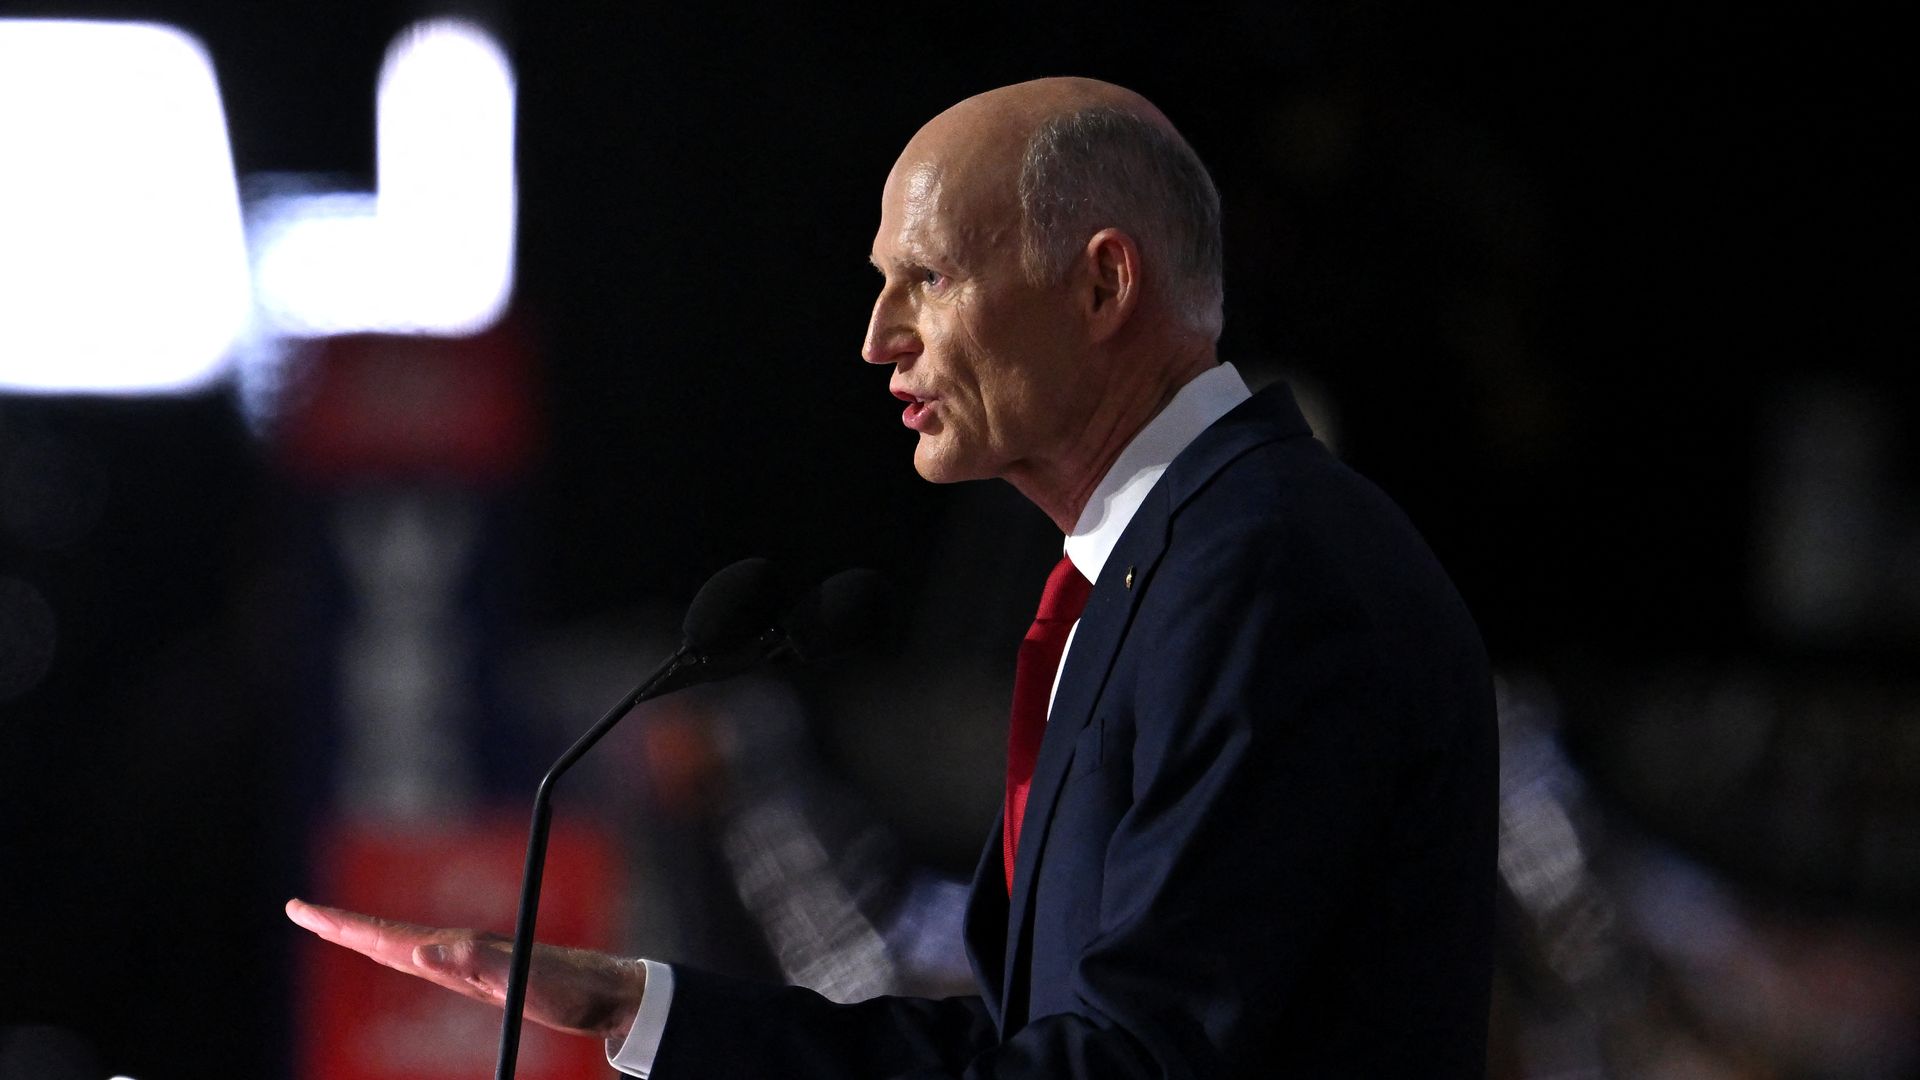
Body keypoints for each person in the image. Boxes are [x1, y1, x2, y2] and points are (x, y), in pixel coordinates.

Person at [288, 76, 1496, 1077]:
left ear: (1101, 284)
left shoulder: (1263, 575)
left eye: (927, 277)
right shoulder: (1158, 571)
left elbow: (1135, 1071)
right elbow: (1039, 1047)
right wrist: (638, 1009)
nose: (879, 336)